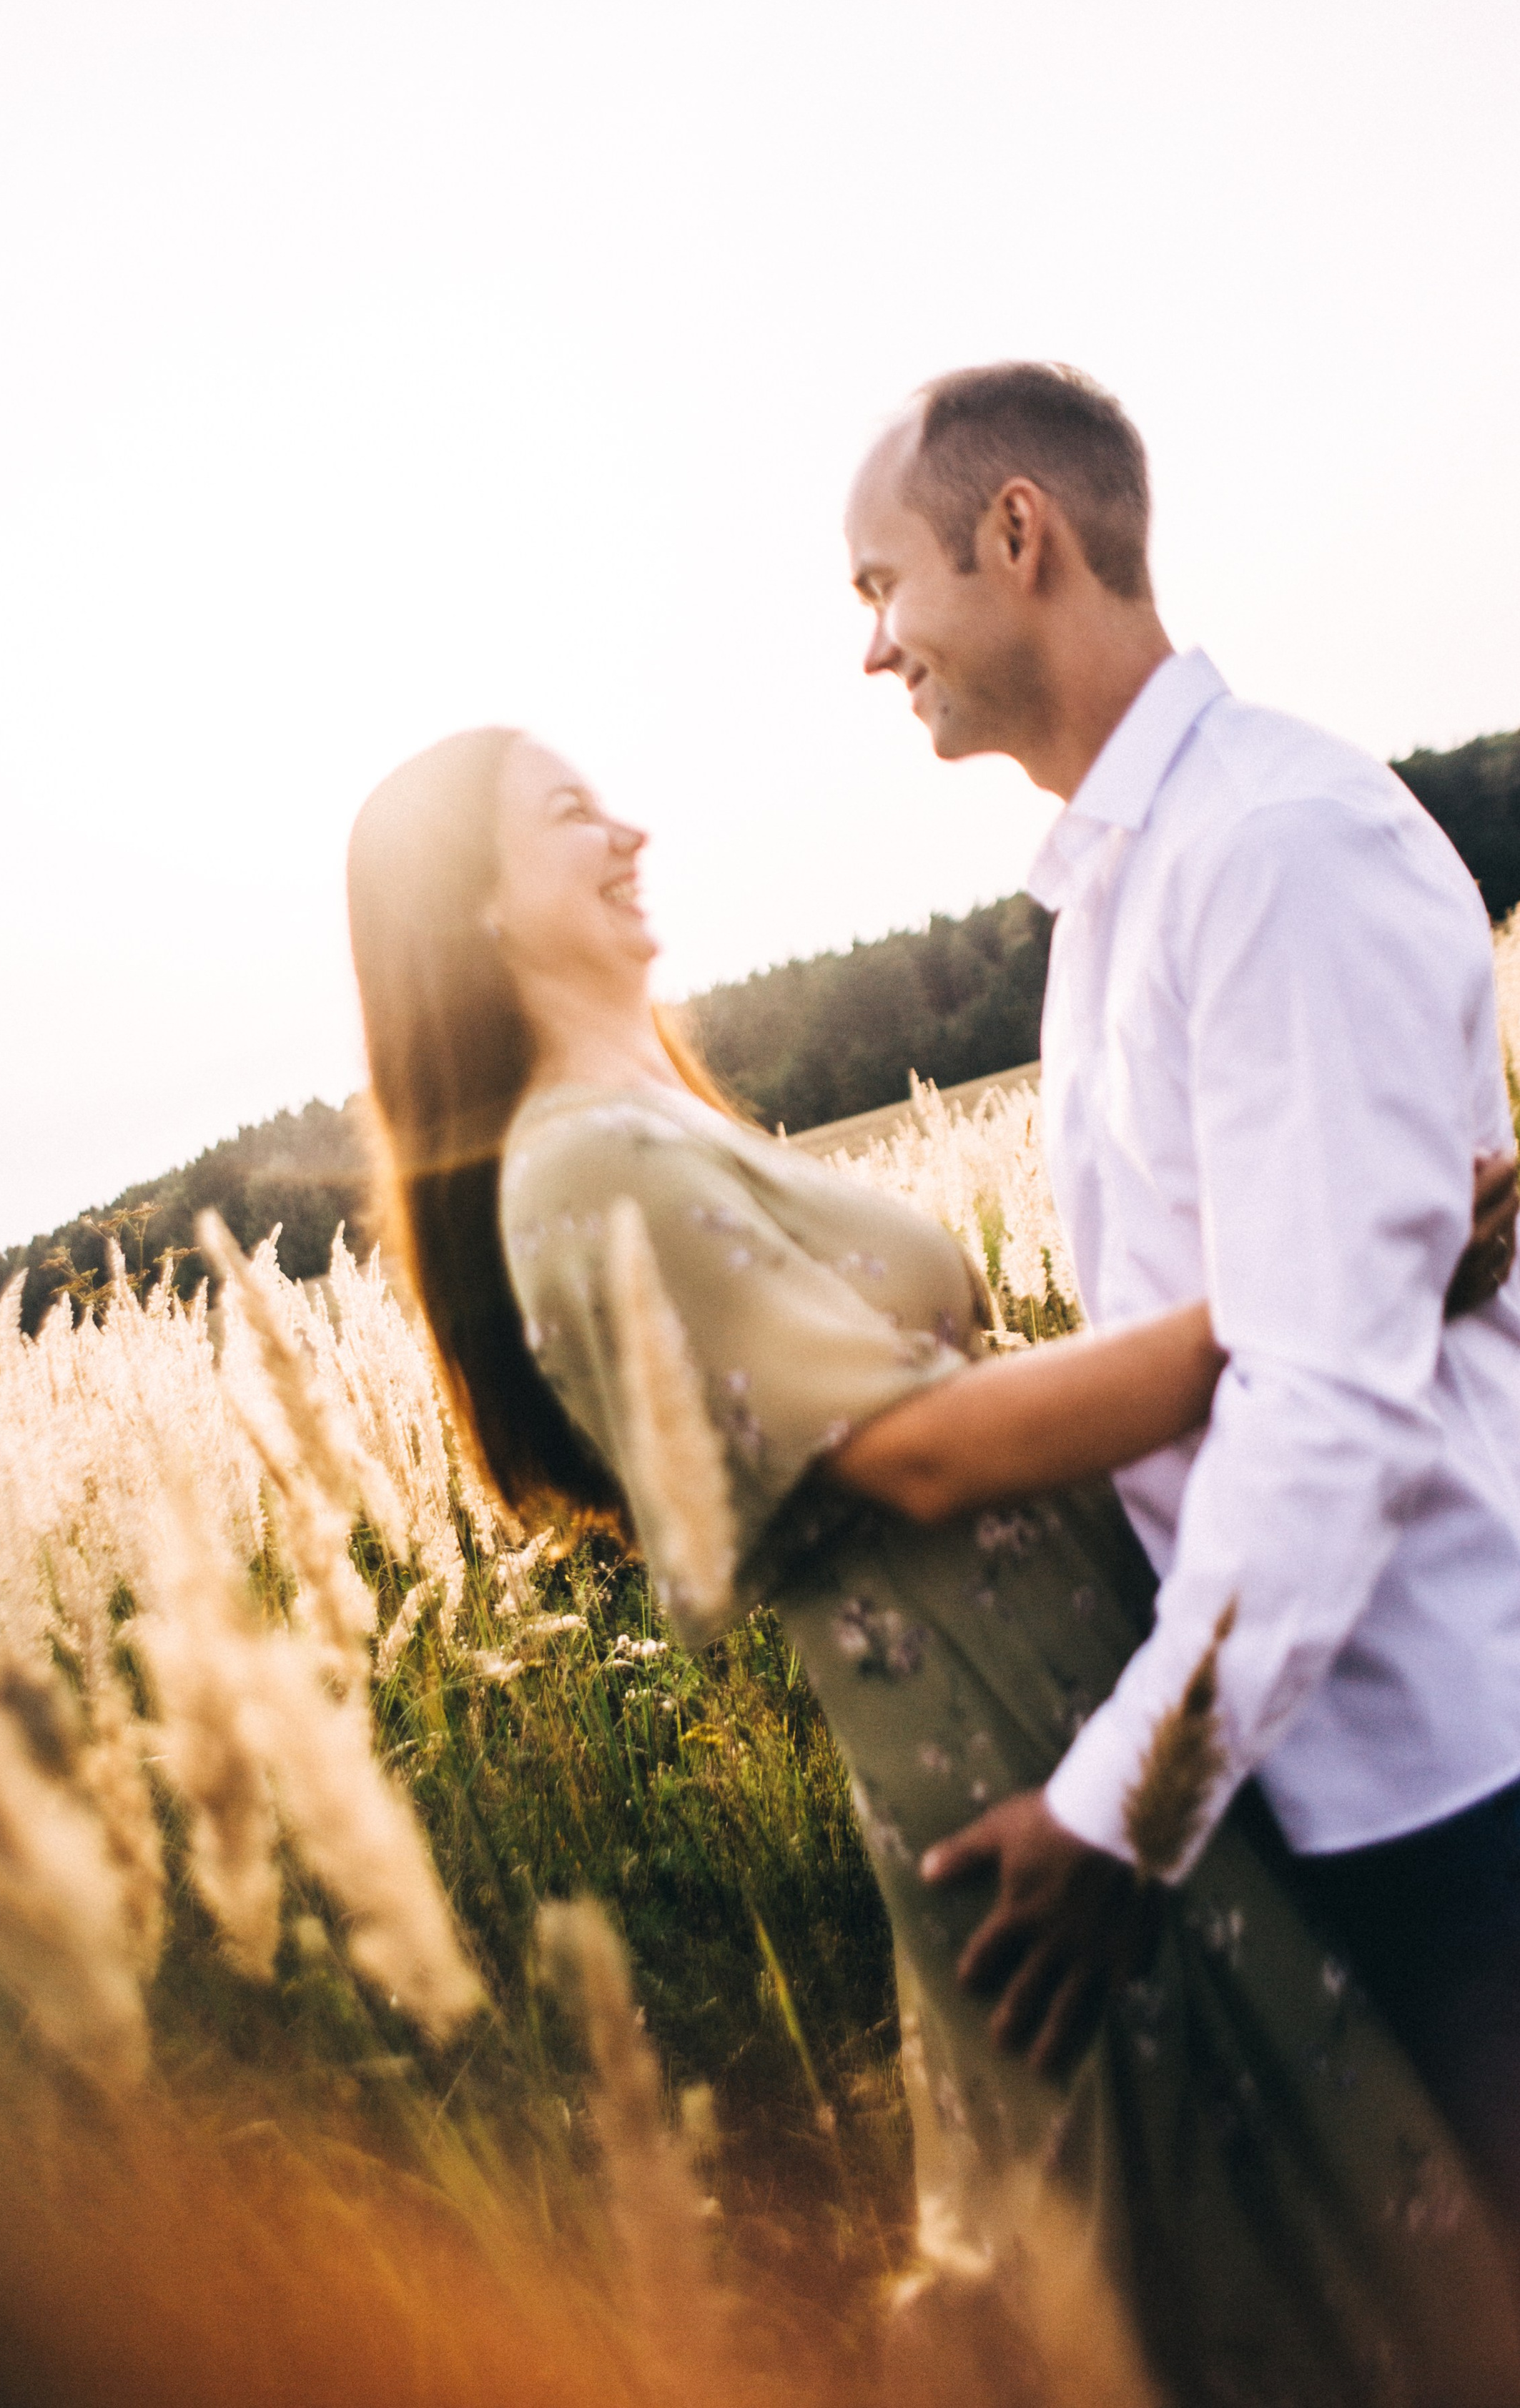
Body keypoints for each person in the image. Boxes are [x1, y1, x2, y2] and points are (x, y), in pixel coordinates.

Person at [346, 725, 1520, 2407]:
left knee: (1294, 2202)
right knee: (1218, 2254)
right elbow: (919, 1449)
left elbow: (959, 1403)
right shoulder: (578, 1169)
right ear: (462, 911)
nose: (627, 828)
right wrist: (1328, 1291)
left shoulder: (653, 1124)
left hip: (1073, 1686)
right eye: (567, 814)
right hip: (995, 1728)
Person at [845, 360, 1520, 2242]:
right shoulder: (1129, 883)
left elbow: (1321, 1391)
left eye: (877, 588)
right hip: (1327, 1767)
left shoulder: (1268, 848)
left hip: (1456, 1773)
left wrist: (1123, 1803)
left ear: (1015, 534)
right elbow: (1251, 1319)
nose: (873, 647)